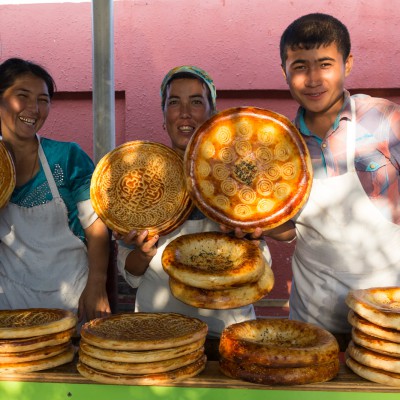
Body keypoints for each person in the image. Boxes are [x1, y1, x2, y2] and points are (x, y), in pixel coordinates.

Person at [114, 65, 274, 358]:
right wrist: (145, 252)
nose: (185, 112)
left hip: (227, 331)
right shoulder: (143, 180)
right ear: (164, 117)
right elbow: (131, 272)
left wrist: (250, 238)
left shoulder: (239, 177)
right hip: (158, 330)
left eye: (196, 101)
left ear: (212, 115)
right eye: (174, 102)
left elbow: (259, 265)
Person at [279, 13, 400, 348]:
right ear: (285, 71)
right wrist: (258, 224)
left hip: (389, 312)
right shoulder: (279, 145)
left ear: (347, 65)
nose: (314, 78)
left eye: (325, 64)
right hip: (313, 315)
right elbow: (289, 228)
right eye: (300, 66)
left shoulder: (385, 120)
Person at [0, 57, 111, 322]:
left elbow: (96, 227)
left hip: (73, 298)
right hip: (10, 303)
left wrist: (97, 284)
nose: (34, 108)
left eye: (43, 99)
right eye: (22, 96)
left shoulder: (67, 157)